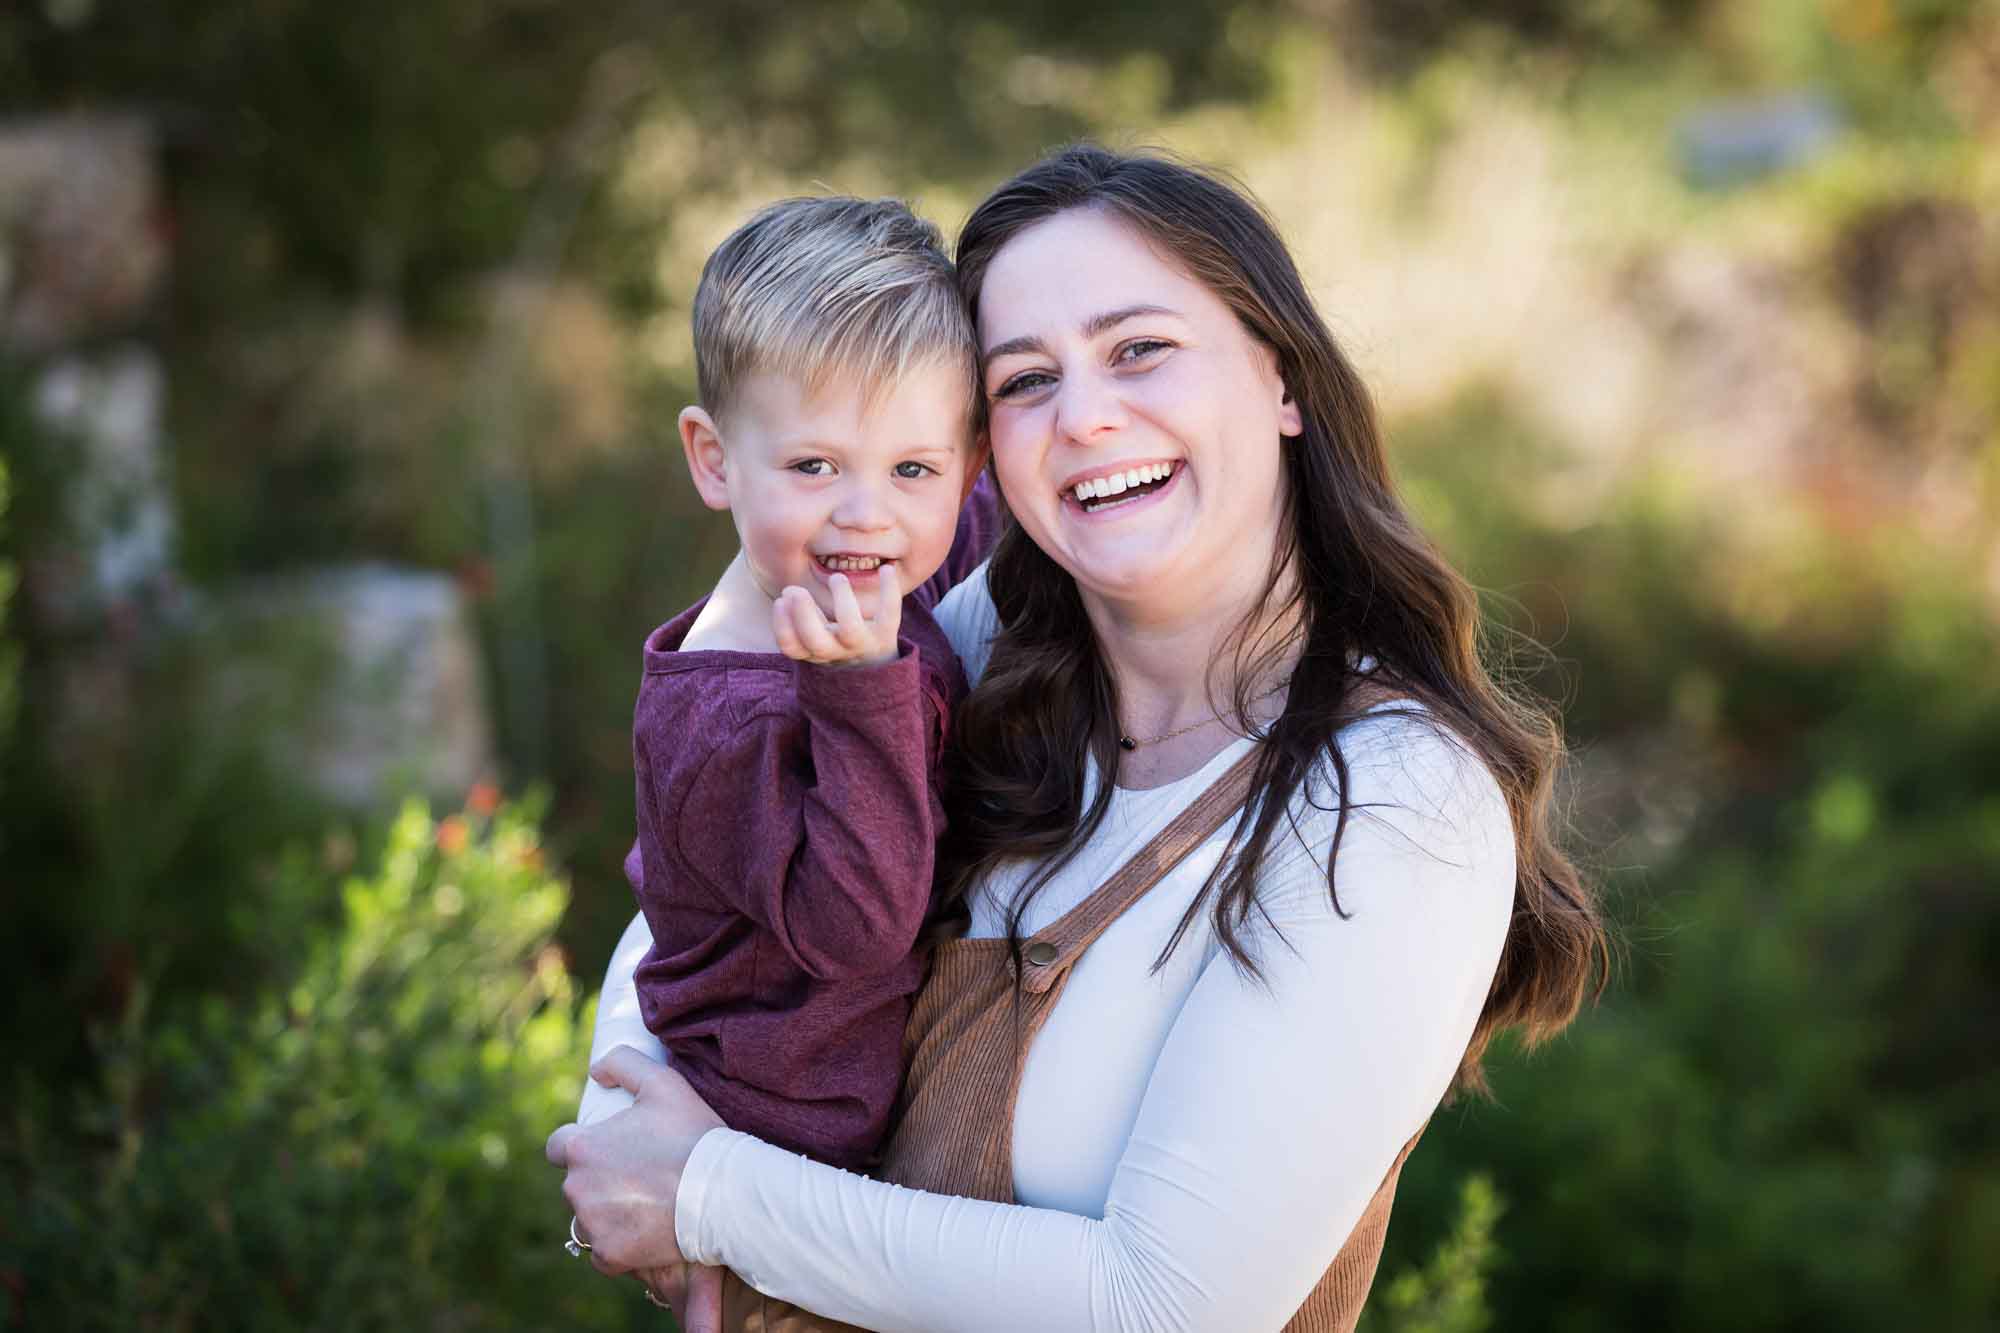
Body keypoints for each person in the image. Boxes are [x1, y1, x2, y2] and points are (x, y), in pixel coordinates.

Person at [550, 144, 1608, 1333]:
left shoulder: (1391, 799)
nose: (1087, 416)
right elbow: (708, 883)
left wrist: (707, 1194)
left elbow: (1164, 1308)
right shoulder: (982, 635)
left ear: (1280, 378)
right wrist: (626, 1120)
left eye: (1139, 348)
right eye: (1022, 380)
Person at [614, 194, 997, 1173]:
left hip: (880, 1102)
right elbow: (860, 927)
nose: (866, 514)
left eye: (912, 467)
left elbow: (967, 520)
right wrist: (859, 690)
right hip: (781, 1147)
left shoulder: (860, 569)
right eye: (814, 463)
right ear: (714, 460)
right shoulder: (728, 716)